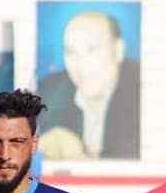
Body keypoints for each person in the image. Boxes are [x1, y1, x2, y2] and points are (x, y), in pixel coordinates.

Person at [37, 10, 140, 159]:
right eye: (71, 52)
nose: (80, 65)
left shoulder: (144, 90)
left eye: (92, 50)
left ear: (118, 50)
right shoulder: (48, 91)